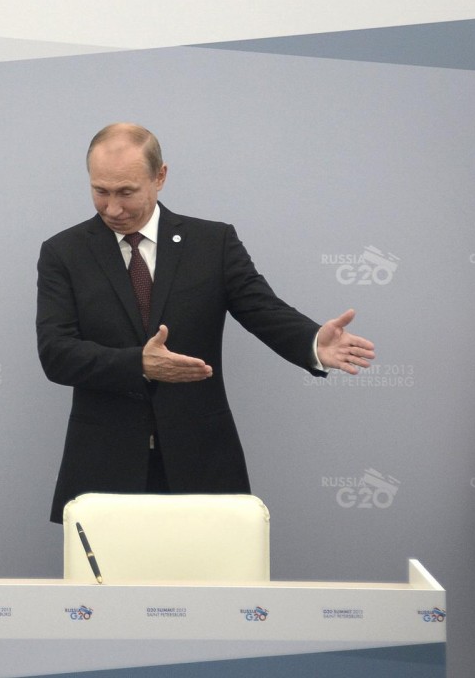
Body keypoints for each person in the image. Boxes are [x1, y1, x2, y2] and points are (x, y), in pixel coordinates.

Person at [37, 122, 375, 523]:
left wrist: (312, 342)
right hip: (103, 468)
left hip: (202, 463)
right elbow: (57, 353)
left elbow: (263, 310)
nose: (112, 208)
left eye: (126, 192)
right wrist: (139, 364)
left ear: (160, 176)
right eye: (100, 191)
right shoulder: (63, 253)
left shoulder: (213, 244)